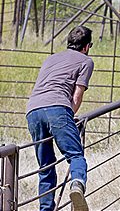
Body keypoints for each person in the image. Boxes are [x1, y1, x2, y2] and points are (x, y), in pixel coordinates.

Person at [26, 26, 94, 211]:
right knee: (76, 156)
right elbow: (77, 96)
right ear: (87, 46)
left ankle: (45, 208)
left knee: (45, 166)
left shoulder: (50, 59)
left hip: (33, 110)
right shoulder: (86, 61)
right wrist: (69, 116)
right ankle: (77, 185)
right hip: (58, 108)